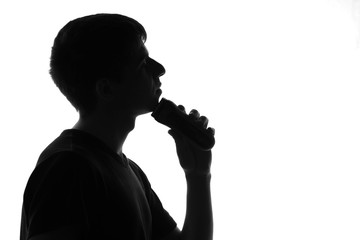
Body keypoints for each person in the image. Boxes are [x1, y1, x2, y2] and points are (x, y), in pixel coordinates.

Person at [20, 13, 215, 240]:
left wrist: (198, 174)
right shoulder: (67, 166)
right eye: (143, 64)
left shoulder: (131, 172)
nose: (159, 70)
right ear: (106, 89)